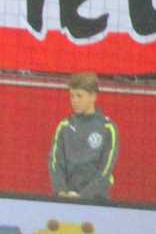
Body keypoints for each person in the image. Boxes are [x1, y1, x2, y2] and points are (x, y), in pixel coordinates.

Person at [49, 73, 118, 201]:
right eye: (72, 96)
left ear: (93, 96)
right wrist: (61, 192)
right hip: (65, 199)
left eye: (79, 96)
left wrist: (83, 196)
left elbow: (106, 170)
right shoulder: (64, 126)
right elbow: (55, 164)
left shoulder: (108, 128)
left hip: (96, 200)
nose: (74, 100)